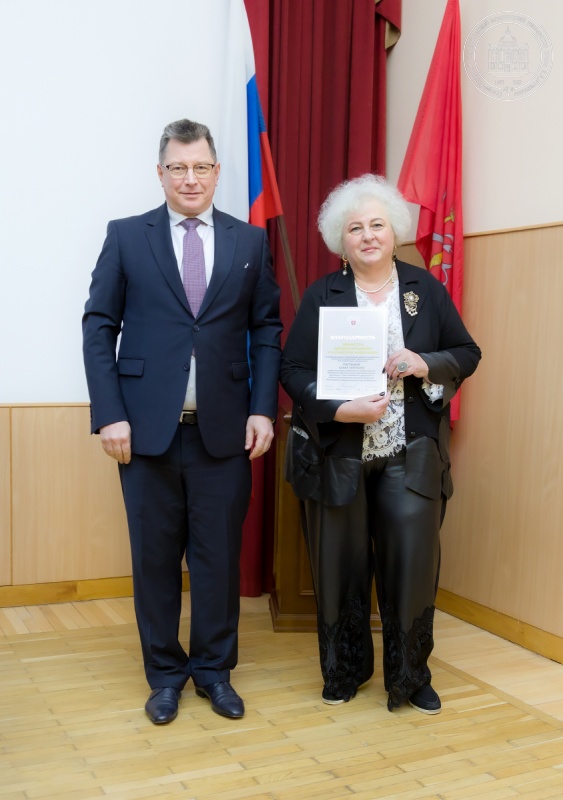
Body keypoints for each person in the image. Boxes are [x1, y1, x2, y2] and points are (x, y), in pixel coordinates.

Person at [83, 119, 282, 724]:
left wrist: (262, 407)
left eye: (200, 167)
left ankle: (214, 672)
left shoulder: (250, 242)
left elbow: (266, 330)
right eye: (178, 167)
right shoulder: (126, 236)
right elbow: (99, 327)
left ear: (216, 172)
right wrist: (110, 415)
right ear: (161, 173)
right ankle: (165, 675)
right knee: (154, 562)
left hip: (225, 431)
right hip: (144, 434)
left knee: (218, 561)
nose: (189, 178)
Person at [281, 174, 480, 714]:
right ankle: (343, 670)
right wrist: (338, 408)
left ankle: (411, 676)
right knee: (339, 568)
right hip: (338, 455)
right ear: (340, 240)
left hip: (409, 454)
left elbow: (467, 352)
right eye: (355, 228)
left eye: (377, 225)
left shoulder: (424, 290)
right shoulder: (323, 295)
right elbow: (292, 369)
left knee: (411, 566)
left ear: (394, 231)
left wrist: (425, 362)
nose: (367, 235)